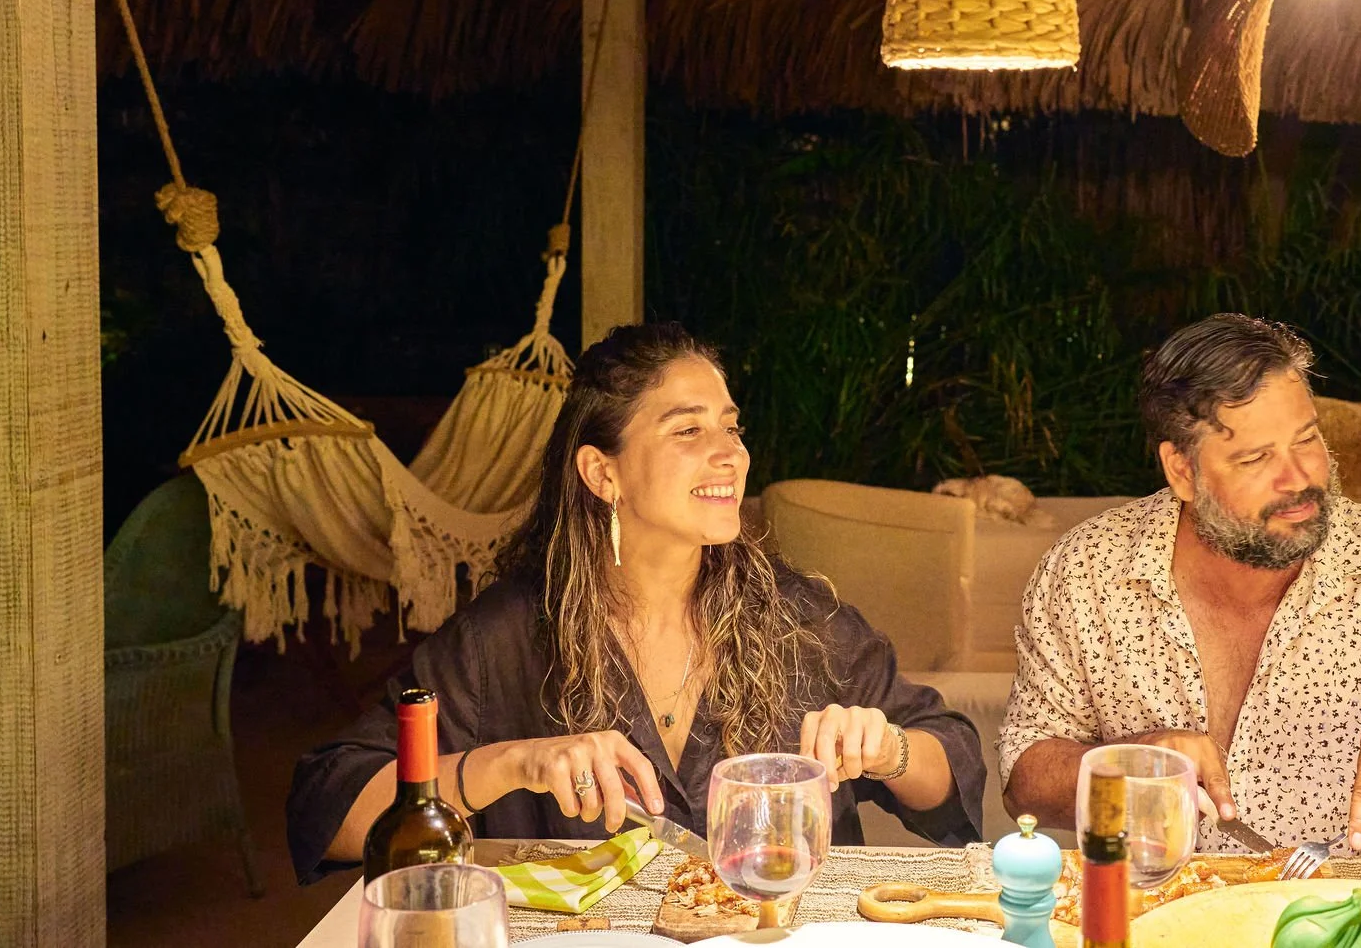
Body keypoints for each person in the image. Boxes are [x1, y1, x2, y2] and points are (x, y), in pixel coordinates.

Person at [287, 322, 984, 882]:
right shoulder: (502, 641)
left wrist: (890, 749)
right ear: (601, 471)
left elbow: (950, 760)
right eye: (689, 430)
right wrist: (510, 764)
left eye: (732, 427)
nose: (731, 453)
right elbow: (332, 805)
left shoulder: (798, 619)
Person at [1000, 314, 1361, 854]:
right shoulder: (1088, 568)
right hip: (1145, 914)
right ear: (1181, 470)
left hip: (1327, 919)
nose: (1298, 479)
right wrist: (1130, 765)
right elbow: (1024, 786)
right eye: (1255, 458)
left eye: (1308, 439)